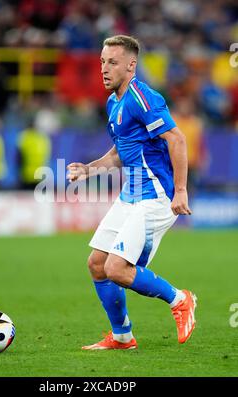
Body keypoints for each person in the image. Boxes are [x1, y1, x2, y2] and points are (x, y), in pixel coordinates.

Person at [67, 35, 197, 350]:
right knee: (97, 264)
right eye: (101, 62)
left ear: (131, 65)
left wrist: (180, 191)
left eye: (111, 62)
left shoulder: (144, 97)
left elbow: (177, 140)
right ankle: (123, 336)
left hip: (156, 198)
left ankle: (181, 299)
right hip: (130, 196)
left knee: (117, 268)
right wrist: (89, 169)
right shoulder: (114, 102)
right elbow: (118, 153)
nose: (104, 69)